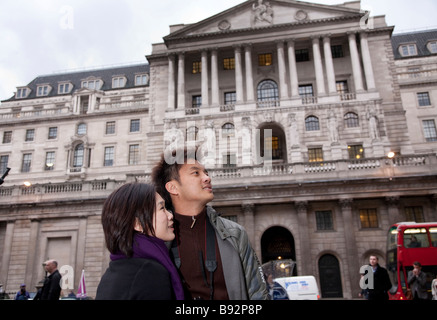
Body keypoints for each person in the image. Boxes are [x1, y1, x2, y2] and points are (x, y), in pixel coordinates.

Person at [152, 147, 269, 300]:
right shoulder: (157, 239)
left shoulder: (235, 233)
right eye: (196, 173)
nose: (207, 178)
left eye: (206, 172)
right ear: (173, 187)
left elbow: (258, 293)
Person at [96, 183, 184, 300]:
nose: (170, 215)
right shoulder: (150, 272)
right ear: (137, 224)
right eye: (162, 208)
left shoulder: (112, 272)